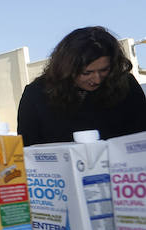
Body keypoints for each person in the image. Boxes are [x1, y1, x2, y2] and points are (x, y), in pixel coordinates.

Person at [17, 26, 146, 145]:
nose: (96, 79)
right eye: (86, 73)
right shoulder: (36, 94)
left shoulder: (126, 86)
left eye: (104, 70)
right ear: (66, 69)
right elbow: (27, 150)